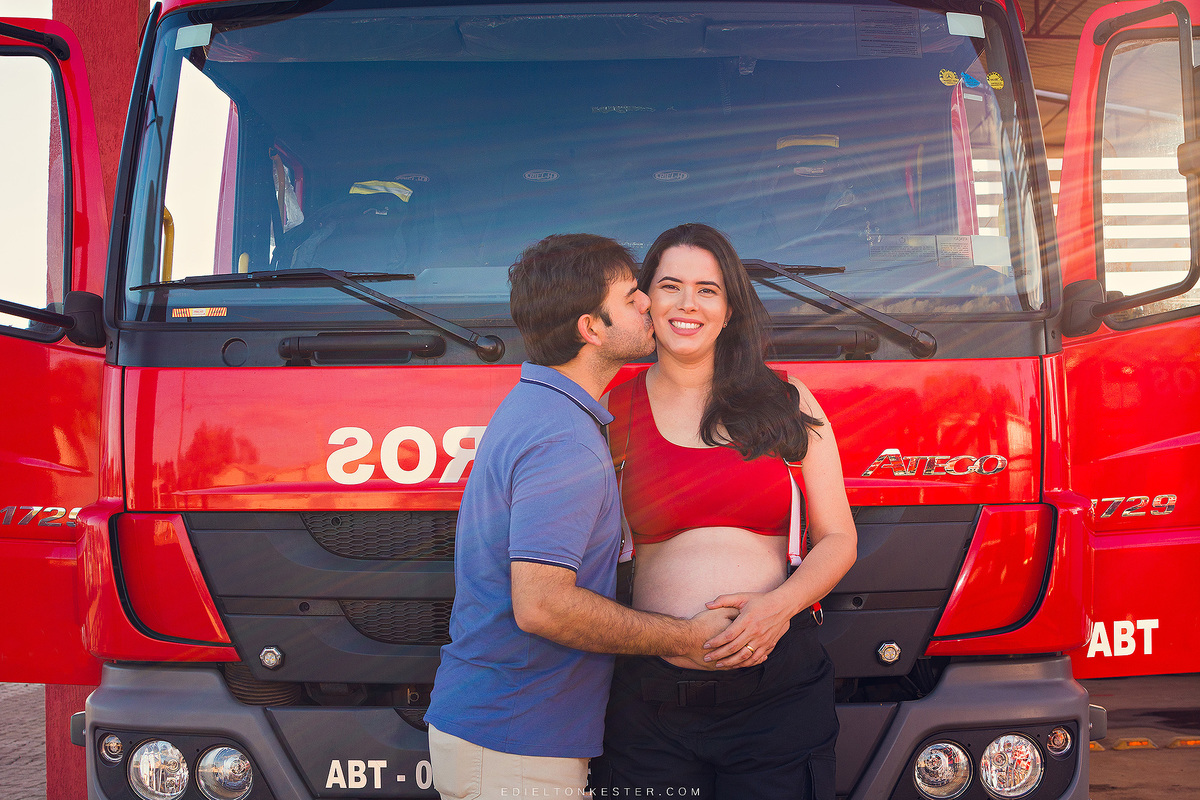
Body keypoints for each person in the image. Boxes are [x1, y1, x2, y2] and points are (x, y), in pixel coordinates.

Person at [424, 233, 739, 800]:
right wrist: (686, 637)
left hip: (505, 735)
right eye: (630, 299)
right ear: (591, 329)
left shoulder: (542, 408)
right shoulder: (562, 439)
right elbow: (543, 605)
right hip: (516, 745)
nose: (649, 303)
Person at [591, 223, 858, 800]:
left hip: (778, 697)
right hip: (651, 702)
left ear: (730, 307)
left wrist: (776, 609)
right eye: (670, 286)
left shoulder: (787, 401)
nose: (688, 304)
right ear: (645, 302)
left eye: (707, 289)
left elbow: (838, 538)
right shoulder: (611, 408)